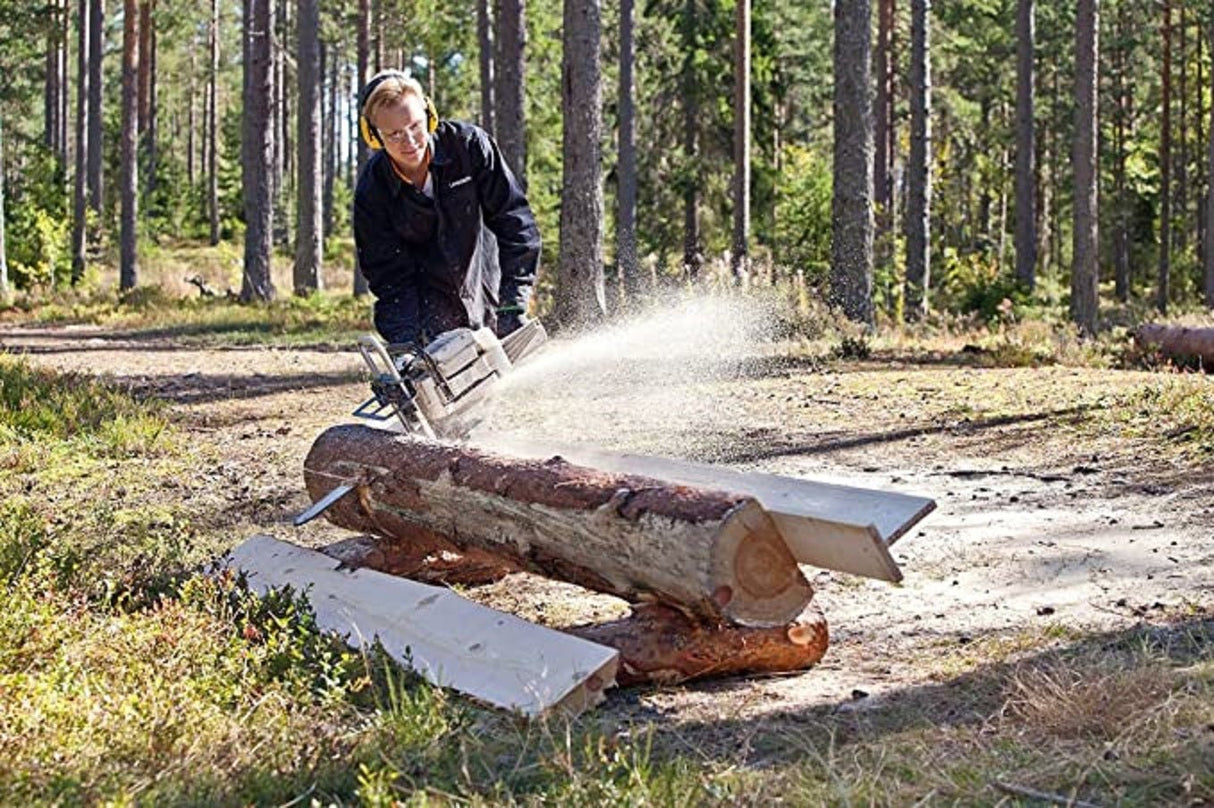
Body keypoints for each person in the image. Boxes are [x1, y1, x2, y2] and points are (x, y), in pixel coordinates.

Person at [353, 70, 541, 346]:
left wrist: (513, 303)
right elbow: (389, 278)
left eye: (415, 126)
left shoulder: (469, 147)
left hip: (488, 289)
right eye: (394, 134)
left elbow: (516, 224)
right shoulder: (374, 192)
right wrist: (406, 343)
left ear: (429, 115)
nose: (410, 141)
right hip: (429, 310)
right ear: (374, 136)